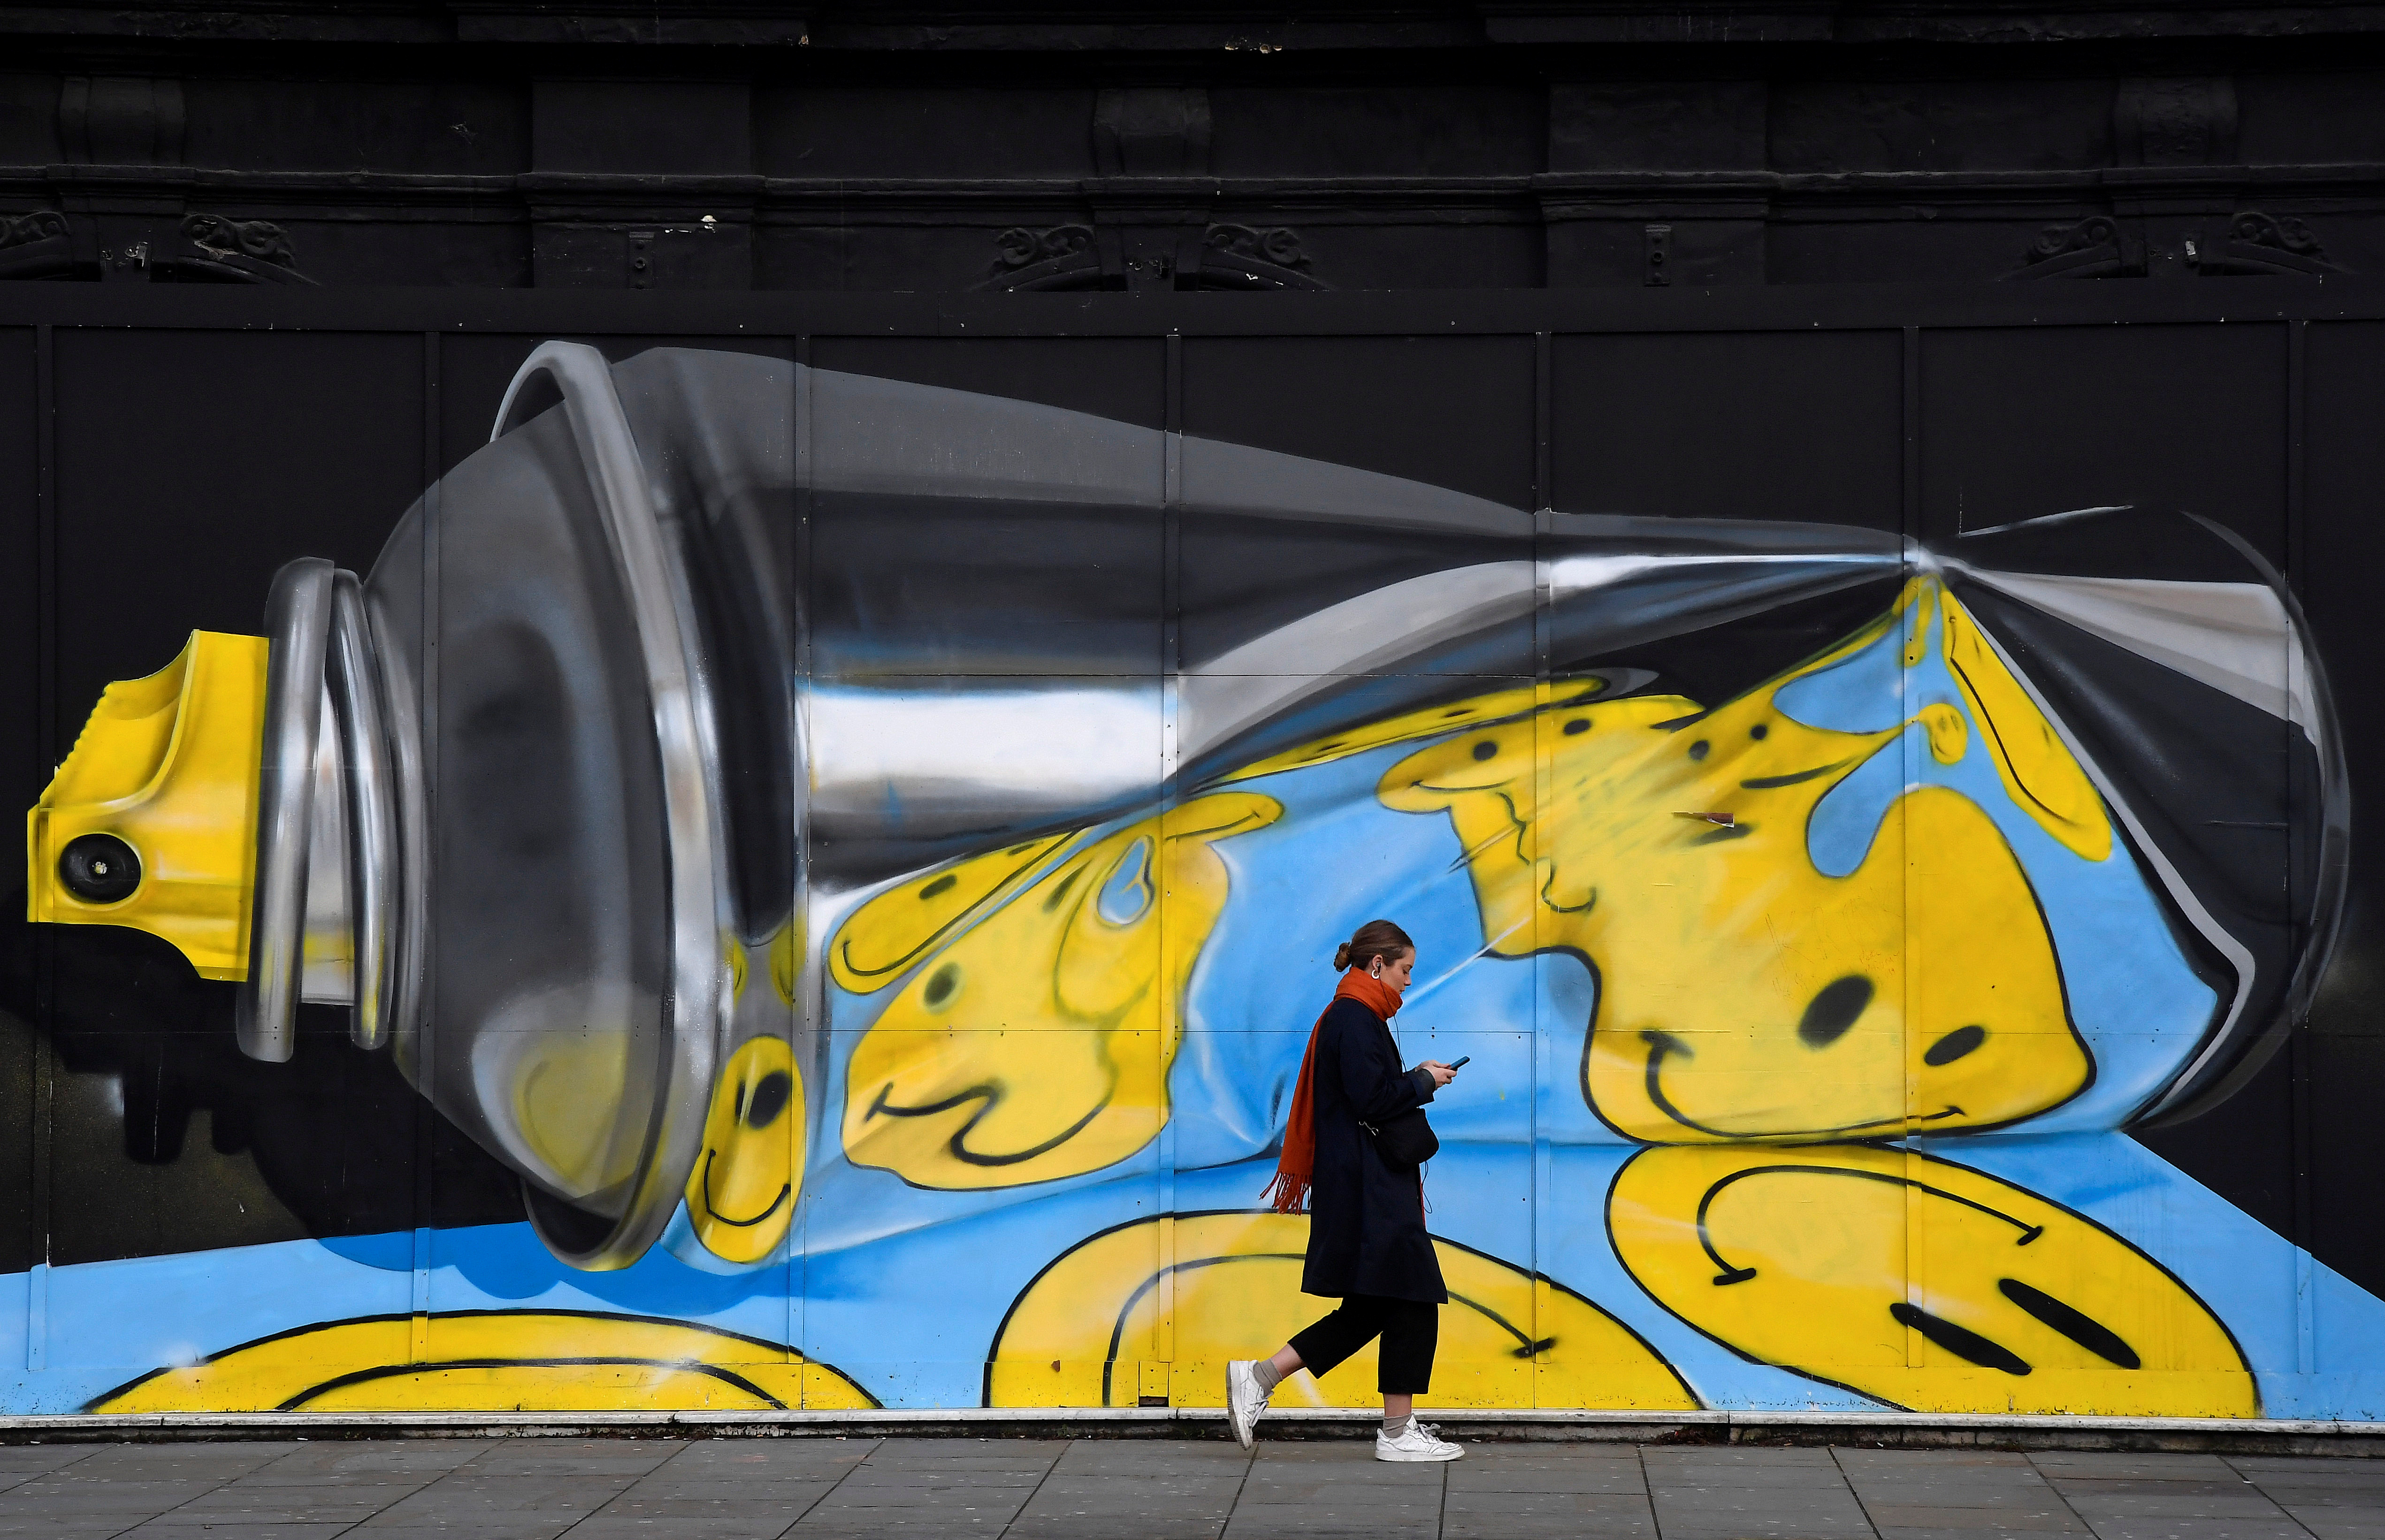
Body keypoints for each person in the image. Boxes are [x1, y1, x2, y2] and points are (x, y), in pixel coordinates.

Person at [1229, 919, 1464, 1462]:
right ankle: (1396, 1432)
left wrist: (1416, 1075)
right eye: (1405, 969)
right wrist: (1424, 1083)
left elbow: (1370, 1092)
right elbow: (1373, 1101)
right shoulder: (1356, 1019)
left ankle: (1262, 1378)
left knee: (1379, 1306)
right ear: (1376, 965)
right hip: (1368, 1187)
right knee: (1410, 1295)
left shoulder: (1357, 1016)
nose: (1409, 981)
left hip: (1364, 1182)